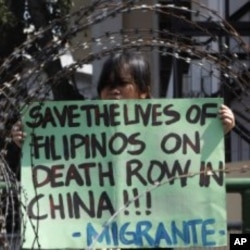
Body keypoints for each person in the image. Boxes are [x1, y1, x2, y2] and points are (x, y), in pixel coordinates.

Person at [11, 51, 235, 250]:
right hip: (96, 239)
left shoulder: (166, 126)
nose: (114, 90)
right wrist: (29, 141)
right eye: (107, 84)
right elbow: (57, 157)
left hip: (152, 238)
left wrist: (218, 129)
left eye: (122, 83)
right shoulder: (81, 127)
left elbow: (188, 155)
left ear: (144, 91)